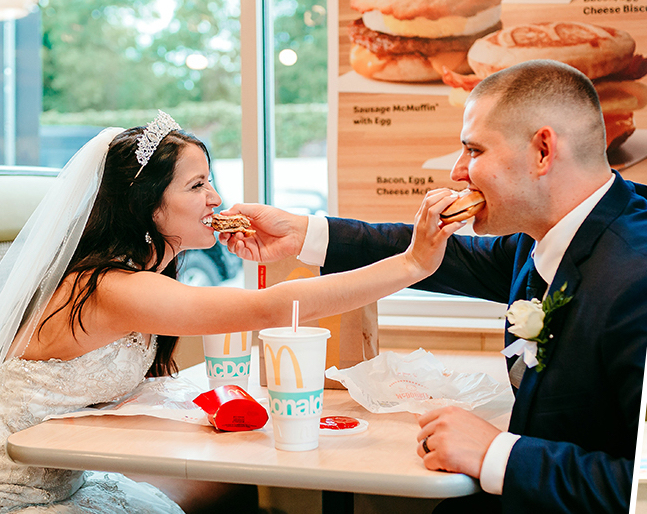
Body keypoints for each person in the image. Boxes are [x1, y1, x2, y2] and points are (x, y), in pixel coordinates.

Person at [219, 60, 647, 513]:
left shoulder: (633, 278)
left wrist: (495, 453)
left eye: (474, 151)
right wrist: (303, 232)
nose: (458, 172)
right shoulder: (553, 233)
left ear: (543, 151)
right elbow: (444, 256)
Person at [0, 112, 464, 513]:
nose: (216, 199)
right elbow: (272, 307)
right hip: (17, 488)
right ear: (149, 207)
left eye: (211, 182)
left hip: (68, 473)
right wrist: (412, 263)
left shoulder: (137, 280)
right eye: (197, 185)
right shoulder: (109, 289)